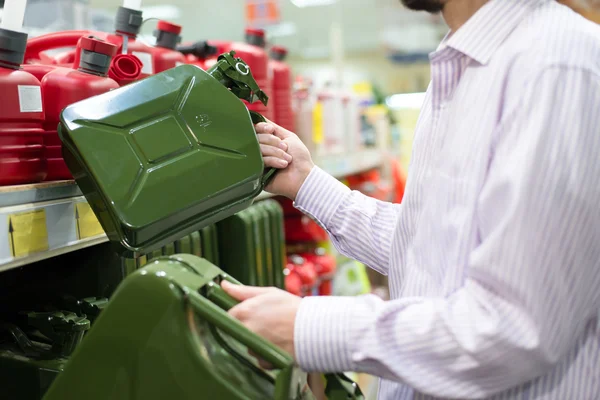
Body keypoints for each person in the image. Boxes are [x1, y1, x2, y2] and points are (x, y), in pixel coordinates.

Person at [220, 0, 600, 398]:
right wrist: (307, 182)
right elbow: (429, 250)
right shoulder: (466, 65)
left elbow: (512, 327)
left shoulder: (555, 66)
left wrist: (307, 327)